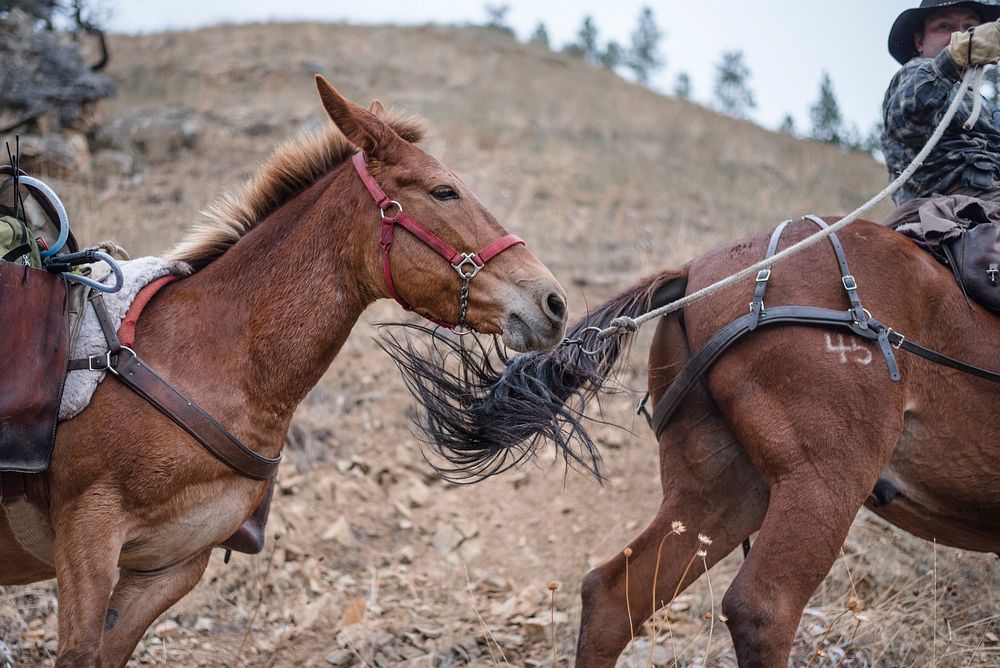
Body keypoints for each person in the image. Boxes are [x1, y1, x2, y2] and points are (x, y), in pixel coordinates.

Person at [882, 1, 1000, 308]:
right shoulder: (914, 74)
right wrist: (957, 56)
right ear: (920, 41)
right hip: (946, 206)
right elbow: (909, 107)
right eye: (944, 27)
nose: (959, 36)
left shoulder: (984, 104)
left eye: (970, 29)